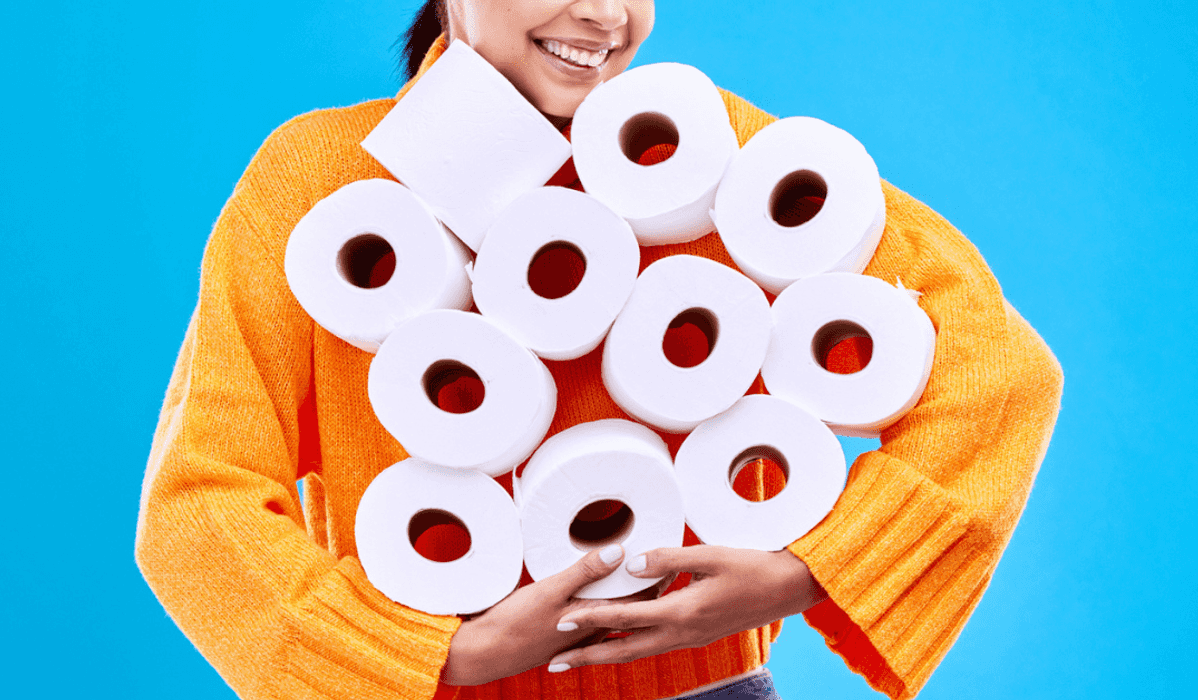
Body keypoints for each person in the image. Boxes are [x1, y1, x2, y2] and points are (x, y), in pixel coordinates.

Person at [135, 1, 1064, 698]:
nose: (605, 14)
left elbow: (996, 365)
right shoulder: (322, 183)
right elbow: (197, 498)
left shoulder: (714, 157)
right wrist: (432, 653)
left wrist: (808, 570)